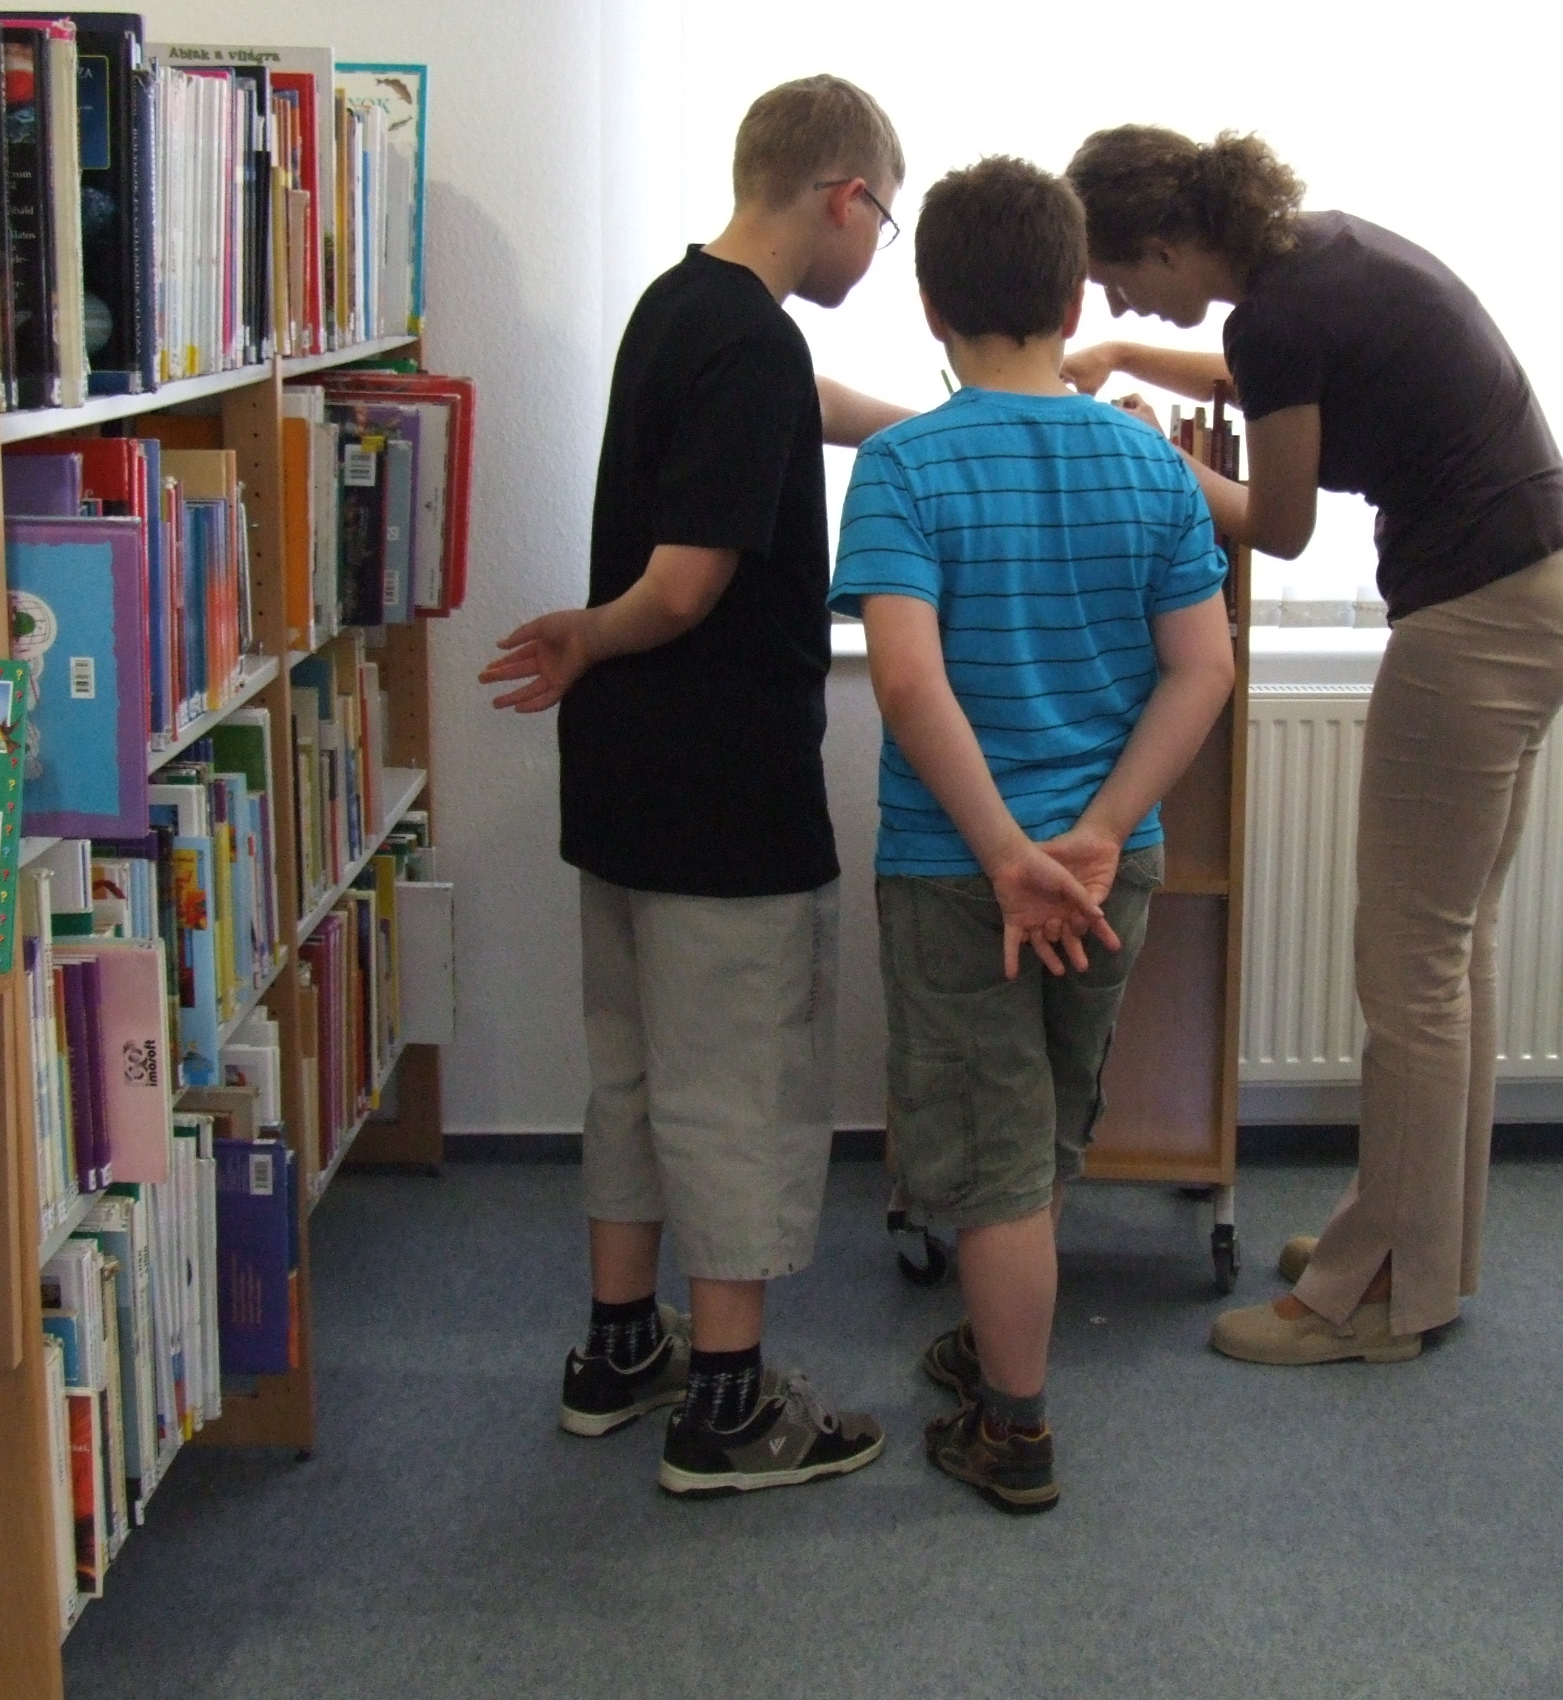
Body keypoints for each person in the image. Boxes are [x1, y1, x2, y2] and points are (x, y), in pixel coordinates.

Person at [1062, 125, 1563, 1368]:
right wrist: (1125, 359)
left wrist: (1138, 449)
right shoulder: (1315, 255)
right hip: (1554, 587)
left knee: (1407, 967)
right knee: (1451, 954)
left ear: (1164, 243)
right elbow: (1270, 381)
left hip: (1480, 621)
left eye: (1117, 281)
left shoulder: (1278, 316)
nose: (1117, 301)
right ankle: (1419, 1249)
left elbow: (1280, 523)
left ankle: (1369, 1303)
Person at [480, 75, 912, 1496]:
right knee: (740, 1091)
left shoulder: (682, 306)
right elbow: (681, 587)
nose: (879, 248)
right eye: (885, 222)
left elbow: (799, 408)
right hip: (727, 791)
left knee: (632, 1076)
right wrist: (590, 632)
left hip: (625, 781)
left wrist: (926, 426)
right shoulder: (754, 341)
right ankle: (729, 1409)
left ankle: (619, 1351)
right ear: (845, 196)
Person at [829, 156, 1237, 1511]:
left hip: (961, 870)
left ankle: (1013, 1429)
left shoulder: (903, 466)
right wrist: (1101, 833)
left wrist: (1009, 855)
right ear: (1073, 303)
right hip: (1113, 866)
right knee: (1048, 1124)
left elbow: (907, 684)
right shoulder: (1153, 463)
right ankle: (1000, 1338)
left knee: (995, 1153)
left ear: (932, 307)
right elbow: (1203, 670)